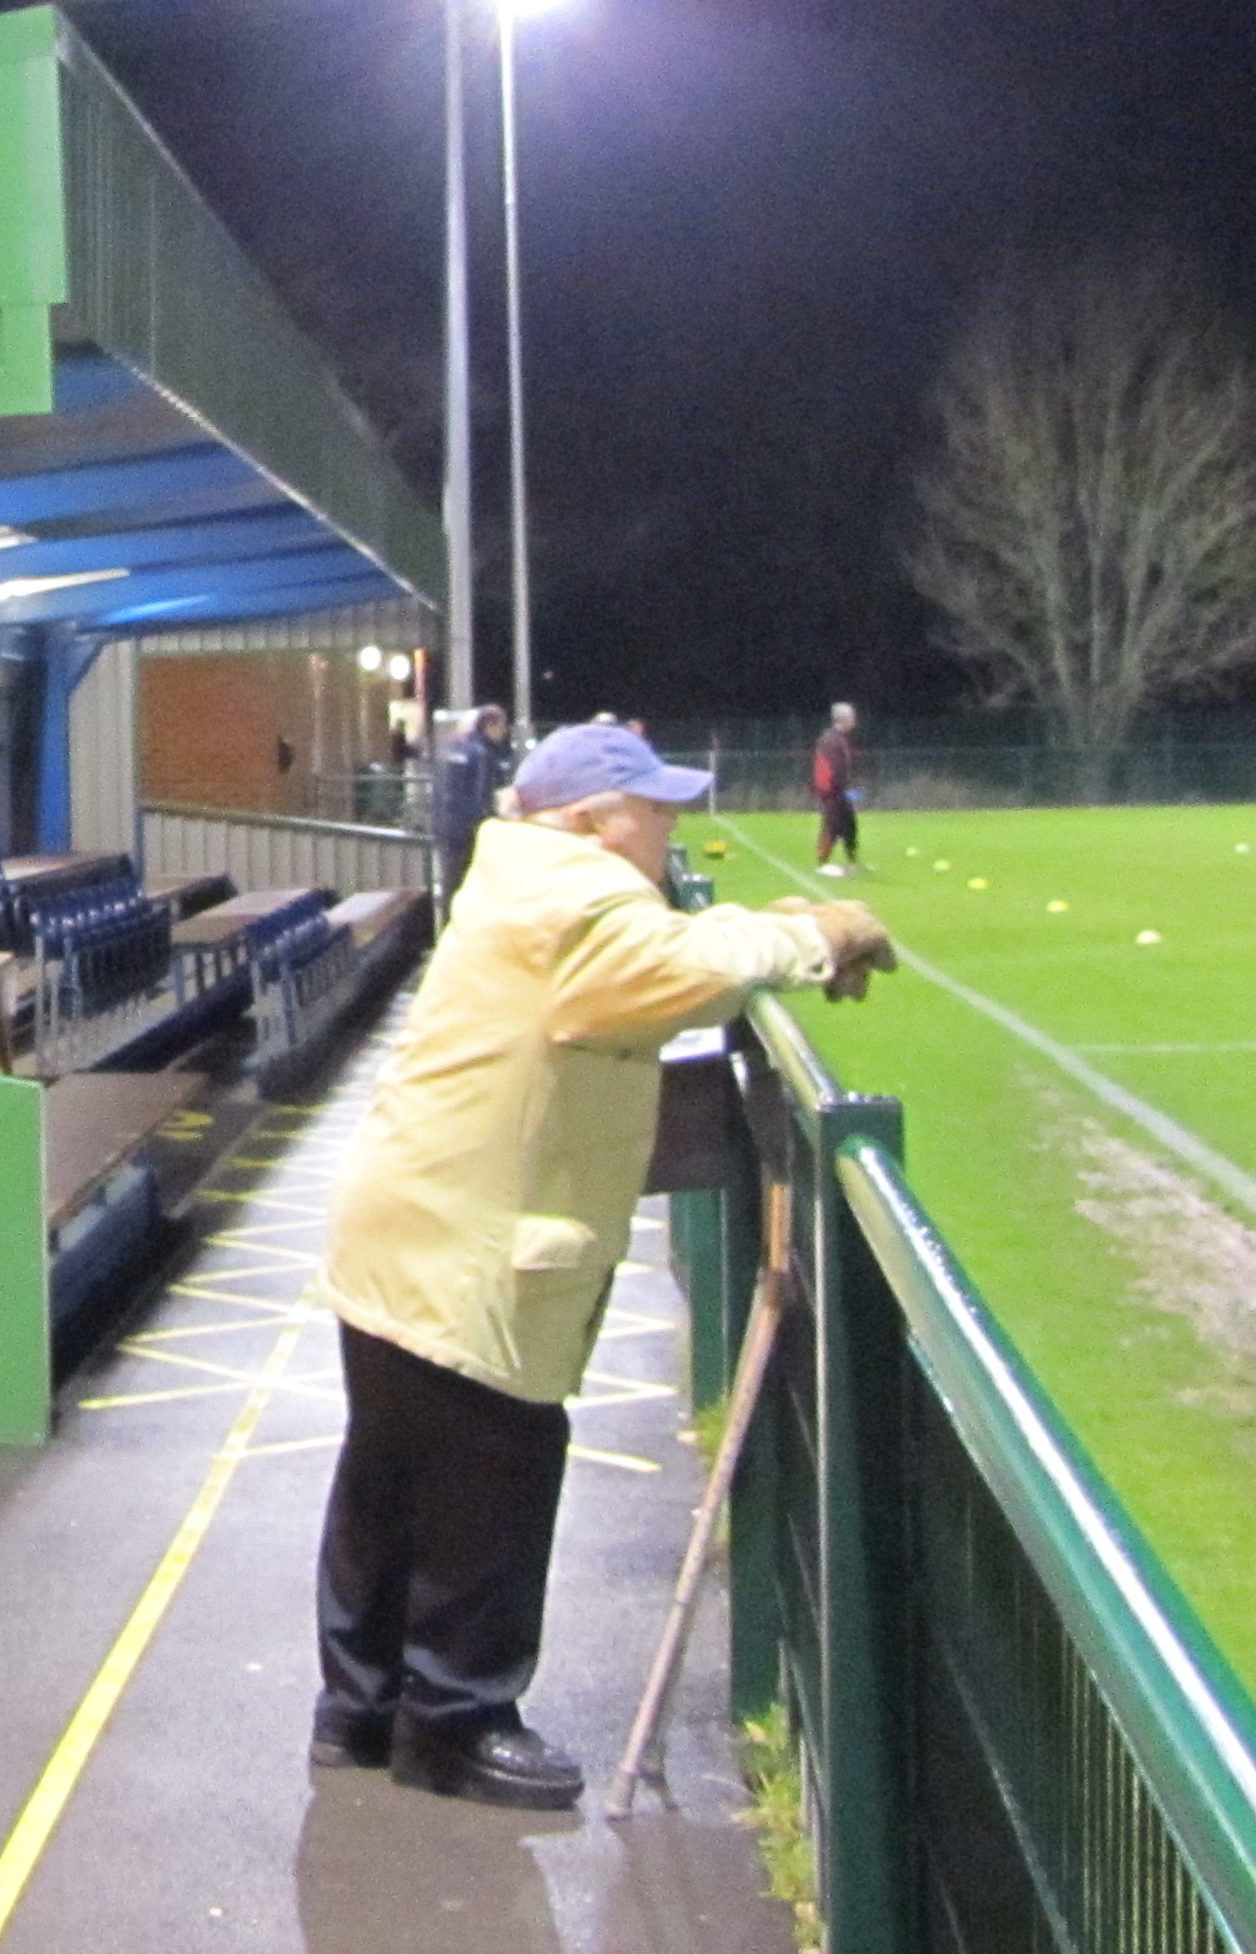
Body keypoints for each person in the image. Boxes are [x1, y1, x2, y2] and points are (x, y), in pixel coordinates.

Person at [308, 722, 890, 1808]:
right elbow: (683, 967)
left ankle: (361, 1709)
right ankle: (455, 1722)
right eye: (654, 808)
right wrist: (812, 935)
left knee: (392, 1476)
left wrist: (773, 931)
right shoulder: (575, 897)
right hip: (470, 1250)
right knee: (491, 1472)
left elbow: (659, 958)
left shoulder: (530, 878)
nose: (670, 826)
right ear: (591, 820)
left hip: (410, 1230)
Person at [433, 706, 511, 904]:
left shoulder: (454, 748)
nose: (504, 732)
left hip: (446, 825)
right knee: (471, 883)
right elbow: (481, 796)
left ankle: (448, 918)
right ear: (490, 725)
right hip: (469, 830)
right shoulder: (482, 753)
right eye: (502, 726)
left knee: (451, 879)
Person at [810, 702, 870, 876]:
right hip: (833, 791)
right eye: (852, 717)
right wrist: (843, 790)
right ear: (844, 719)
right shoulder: (831, 740)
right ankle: (822, 863)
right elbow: (832, 769)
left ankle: (853, 862)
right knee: (832, 826)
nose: (854, 721)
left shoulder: (838, 739)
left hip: (840, 791)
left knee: (850, 826)